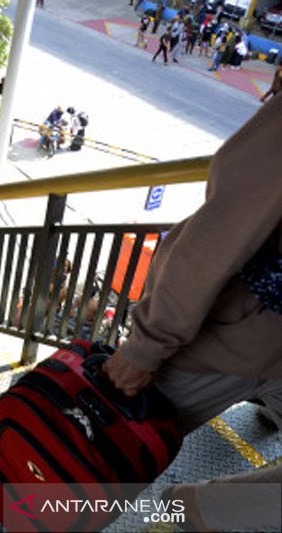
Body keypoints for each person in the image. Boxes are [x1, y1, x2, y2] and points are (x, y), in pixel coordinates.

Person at [103, 92, 282, 531]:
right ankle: (41, 516)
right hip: (224, 335)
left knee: (107, 453)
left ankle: (196, 508)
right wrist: (144, 348)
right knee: (100, 457)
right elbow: (215, 238)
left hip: (249, 337)